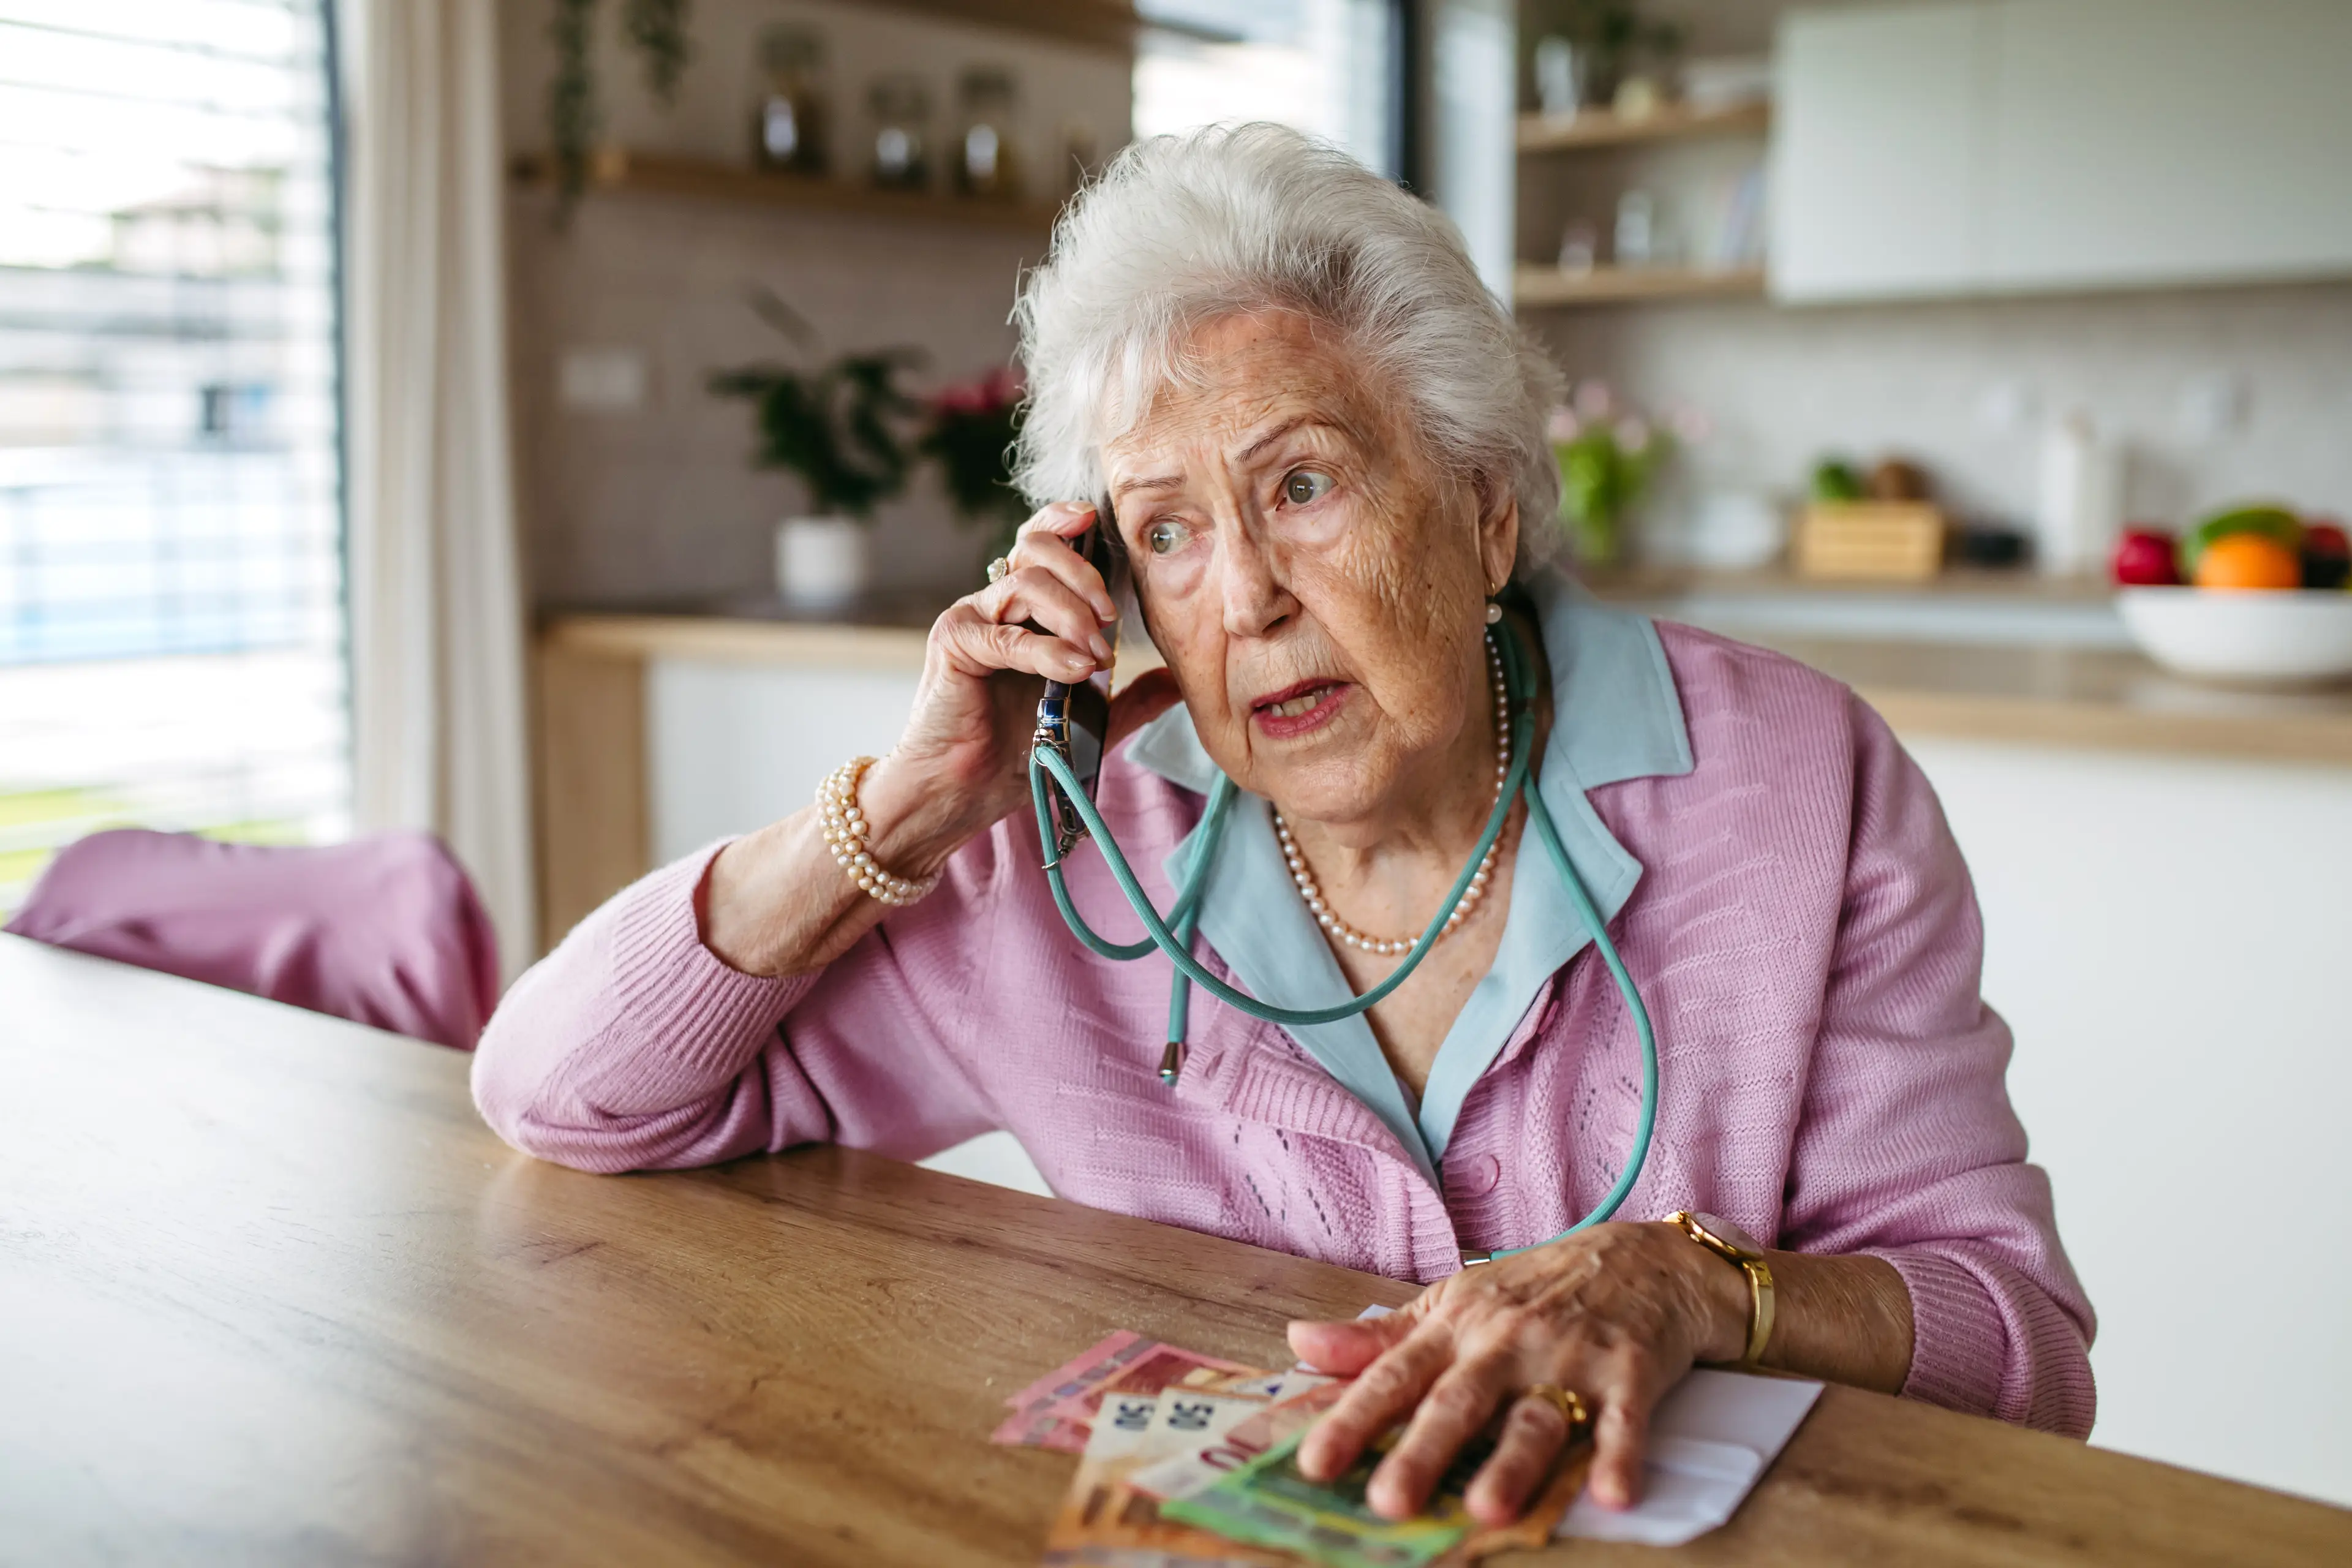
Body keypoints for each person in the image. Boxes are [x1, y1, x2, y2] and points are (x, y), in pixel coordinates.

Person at [475, 123, 2092, 1526]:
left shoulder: (1792, 785)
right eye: (1166, 534)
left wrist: (1693, 1286)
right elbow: (562, 1096)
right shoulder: (1069, 857)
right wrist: (900, 810)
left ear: (1482, 504)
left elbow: (2015, 1349)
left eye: (1303, 485)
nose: (1245, 596)